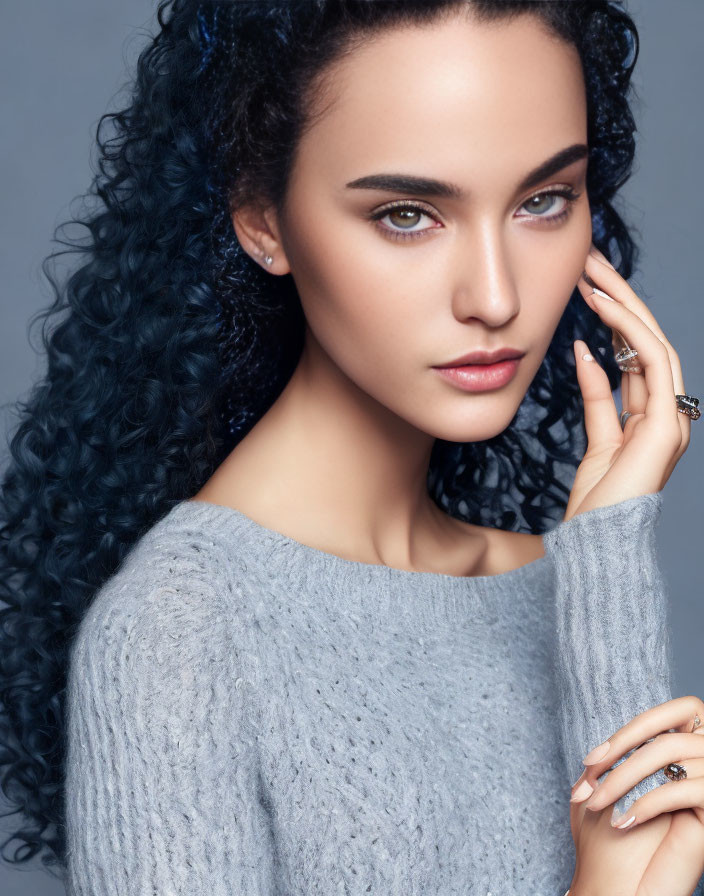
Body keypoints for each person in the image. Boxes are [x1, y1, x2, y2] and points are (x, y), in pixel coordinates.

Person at [0, 0, 702, 893]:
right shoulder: (178, 638)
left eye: (544, 200)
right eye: (408, 214)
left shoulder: (570, 592)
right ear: (263, 219)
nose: (494, 296)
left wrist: (612, 549)